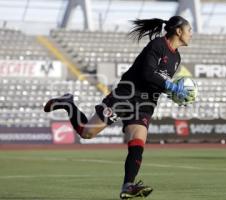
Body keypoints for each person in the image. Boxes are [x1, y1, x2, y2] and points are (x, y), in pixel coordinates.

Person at [44, 16, 194, 199]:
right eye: (189, 30)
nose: (191, 34)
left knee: (137, 144)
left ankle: (128, 186)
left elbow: (158, 83)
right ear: (179, 31)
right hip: (126, 96)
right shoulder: (158, 45)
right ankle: (67, 103)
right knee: (86, 133)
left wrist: (175, 94)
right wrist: (170, 86)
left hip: (146, 104)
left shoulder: (177, 57)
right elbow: (148, 73)